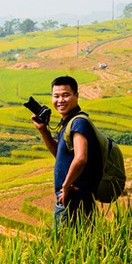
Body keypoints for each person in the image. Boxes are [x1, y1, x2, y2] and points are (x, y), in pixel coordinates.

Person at [32, 76, 102, 226]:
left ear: (76, 96)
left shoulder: (78, 123)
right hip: (72, 198)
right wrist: (44, 131)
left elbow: (81, 158)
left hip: (74, 199)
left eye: (66, 95)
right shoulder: (69, 123)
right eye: (56, 96)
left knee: (64, 246)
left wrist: (65, 186)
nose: (60, 100)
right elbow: (60, 155)